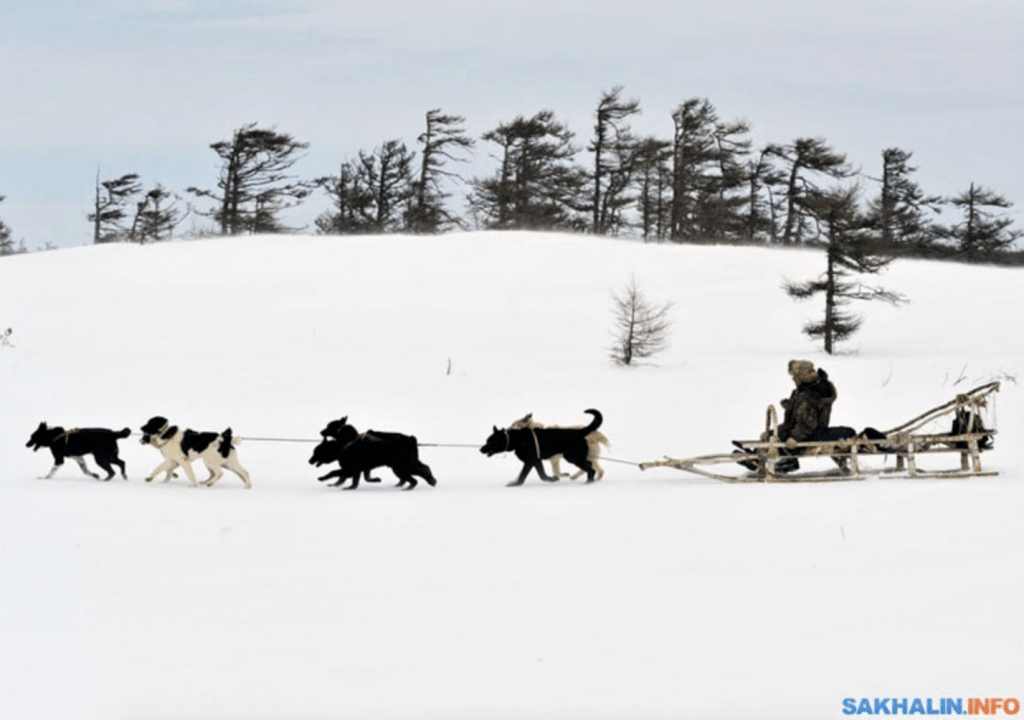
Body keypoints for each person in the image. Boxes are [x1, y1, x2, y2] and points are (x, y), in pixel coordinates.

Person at [735, 359, 838, 473]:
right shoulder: (801, 392)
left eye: (795, 376)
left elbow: (807, 424)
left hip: (810, 434)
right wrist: (771, 433)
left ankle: (784, 461)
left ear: (802, 377)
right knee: (773, 436)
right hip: (802, 431)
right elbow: (790, 423)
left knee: (781, 441)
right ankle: (755, 456)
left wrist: (794, 437)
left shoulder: (810, 395)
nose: (793, 379)